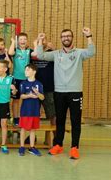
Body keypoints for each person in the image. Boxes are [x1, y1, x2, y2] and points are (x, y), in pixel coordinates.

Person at [36, 28, 95, 159]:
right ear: (61, 39)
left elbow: (91, 52)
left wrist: (89, 36)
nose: (66, 38)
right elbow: (40, 55)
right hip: (59, 92)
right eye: (63, 36)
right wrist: (40, 40)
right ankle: (58, 145)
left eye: (68, 36)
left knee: (75, 121)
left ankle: (74, 147)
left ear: (72, 38)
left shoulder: (79, 53)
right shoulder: (56, 54)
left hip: (75, 92)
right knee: (60, 120)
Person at [31, 35, 56, 145]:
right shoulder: (33, 53)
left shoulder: (52, 53)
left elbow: (60, 58)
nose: (42, 41)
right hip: (35, 89)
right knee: (34, 114)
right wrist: (36, 45)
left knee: (52, 114)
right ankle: (32, 137)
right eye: (39, 39)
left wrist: (54, 49)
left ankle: (56, 139)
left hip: (49, 88)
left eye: (44, 39)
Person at [8, 33, 37, 127]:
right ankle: (16, 118)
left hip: (27, 79)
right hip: (16, 78)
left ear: (27, 41)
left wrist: (35, 44)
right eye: (21, 39)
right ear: (18, 41)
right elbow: (10, 53)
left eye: (25, 39)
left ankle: (26, 117)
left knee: (27, 98)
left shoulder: (29, 51)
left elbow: (36, 54)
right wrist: (13, 42)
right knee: (16, 100)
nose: (23, 41)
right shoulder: (15, 50)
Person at [18, 64, 44, 157]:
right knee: (23, 129)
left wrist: (37, 93)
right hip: (25, 110)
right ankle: (21, 147)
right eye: (25, 70)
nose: (26, 72)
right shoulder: (23, 83)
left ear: (34, 71)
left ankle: (32, 147)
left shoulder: (39, 84)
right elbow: (21, 96)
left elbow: (42, 97)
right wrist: (29, 95)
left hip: (35, 110)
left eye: (28, 70)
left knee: (33, 129)